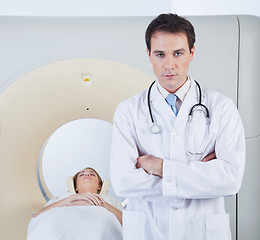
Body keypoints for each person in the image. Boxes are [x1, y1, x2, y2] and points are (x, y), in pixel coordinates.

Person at [110, 13, 245, 240]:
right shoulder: (128, 111)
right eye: (160, 54)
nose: (169, 65)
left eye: (178, 53)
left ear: (192, 53)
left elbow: (230, 179)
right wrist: (197, 177)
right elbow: (123, 182)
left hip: (202, 230)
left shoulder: (221, 107)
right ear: (149, 55)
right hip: (148, 230)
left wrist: (161, 167)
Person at [33, 167, 122, 224]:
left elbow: (128, 224)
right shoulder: (62, 198)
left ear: (99, 186)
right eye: (82, 175)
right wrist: (71, 198)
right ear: (75, 187)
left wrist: (100, 202)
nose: (87, 174)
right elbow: (37, 216)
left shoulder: (111, 201)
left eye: (92, 174)